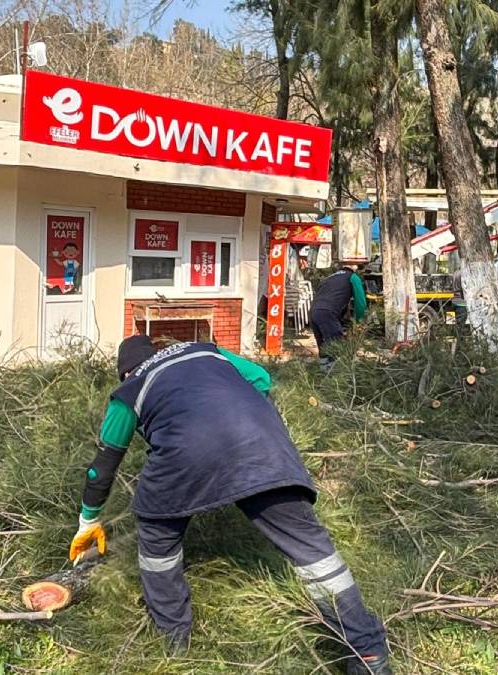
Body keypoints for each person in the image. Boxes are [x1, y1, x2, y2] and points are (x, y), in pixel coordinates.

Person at [69, 336, 390, 674]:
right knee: (316, 555)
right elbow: (262, 380)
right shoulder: (205, 351)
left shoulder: (130, 389)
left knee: (156, 538)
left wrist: (88, 521)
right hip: (262, 448)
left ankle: (173, 642)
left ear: (125, 371)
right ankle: (366, 651)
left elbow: (102, 466)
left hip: (184, 460)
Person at [310, 265, 367, 370]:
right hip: (328, 312)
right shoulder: (353, 277)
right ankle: (337, 379)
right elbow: (360, 303)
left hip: (314, 311)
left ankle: (323, 377)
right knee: (337, 347)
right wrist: (359, 322)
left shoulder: (329, 277)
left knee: (323, 348)